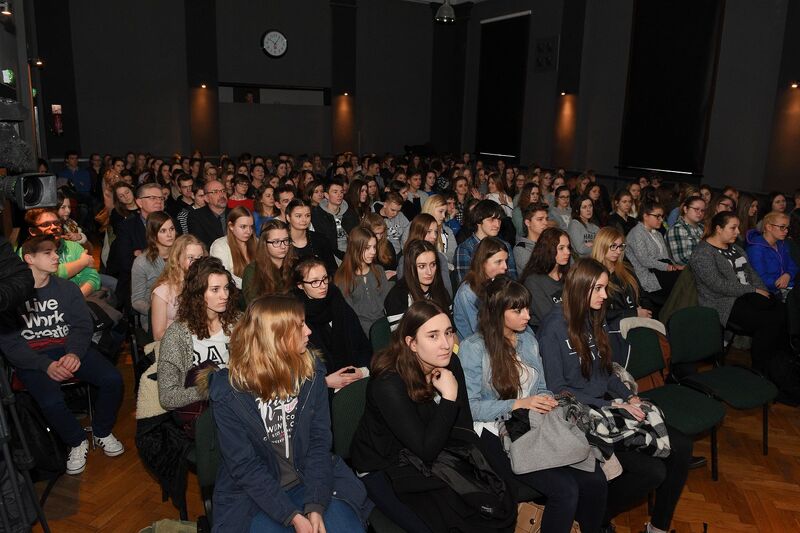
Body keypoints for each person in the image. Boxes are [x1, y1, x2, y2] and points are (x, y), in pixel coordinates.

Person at [539, 258, 692, 533]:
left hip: (610, 408)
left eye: (605, 288)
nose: (604, 295)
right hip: (585, 417)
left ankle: (657, 528)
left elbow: (606, 371)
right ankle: (592, 520)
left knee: (681, 447)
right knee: (653, 471)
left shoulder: (589, 315)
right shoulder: (553, 328)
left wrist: (628, 397)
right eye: (598, 289)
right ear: (580, 288)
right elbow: (558, 390)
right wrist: (612, 403)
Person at [207, 294, 372, 532]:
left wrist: (315, 505)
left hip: (312, 479)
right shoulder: (229, 392)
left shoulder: (312, 373)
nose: (309, 331)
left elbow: (319, 444)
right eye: (299, 326)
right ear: (275, 337)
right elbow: (245, 467)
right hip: (256, 494)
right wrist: (293, 516)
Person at [350, 300, 515, 533]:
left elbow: (463, 425)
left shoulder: (450, 362)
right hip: (385, 464)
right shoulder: (389, 383)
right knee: (448, 522)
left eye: (448, 333)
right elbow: (424, 449)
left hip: (435, 448)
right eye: (433, 336)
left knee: (493, 496)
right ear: (412, 343)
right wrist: (448, 397)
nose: (446, 344)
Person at [460, 276, 607, 533]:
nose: (528, 316)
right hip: (499, 431)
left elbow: (540, 385)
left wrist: (546, 399)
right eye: (518, 310)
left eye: (527, 308)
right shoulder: (473, 348)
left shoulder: (526, 337)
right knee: (566, 490)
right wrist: (519, 403)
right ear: (496, 312)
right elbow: (471, 407)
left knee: (595, 478)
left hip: (535, 420)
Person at [1, 235, 124, 475]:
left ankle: (101, 431)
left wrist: (75, 353)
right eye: (47, 253)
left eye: (55, 252)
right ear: (29, 259)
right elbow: (11, 344)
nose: (56, 256)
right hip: (33, 357)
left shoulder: (67, 288)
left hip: (69, 348)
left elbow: (82, 325)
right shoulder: (9, 297)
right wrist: (44, 365)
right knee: (50, 400)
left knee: (113, 379)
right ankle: (76, 441)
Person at [690, 212, 787, 371]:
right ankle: (762, 369)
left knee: (783, 311)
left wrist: (761, 290)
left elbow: (752, 273)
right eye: (733, 228)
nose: (738, 232)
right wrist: (753, 290)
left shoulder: (736, 248)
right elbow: (717, 285)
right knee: (768, 322)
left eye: (738, 228)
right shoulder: (703, 253)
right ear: (719, 229)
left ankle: (780, 364)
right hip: (722, 302)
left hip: (747, 295)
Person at [158, 257, 239, 434]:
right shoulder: (178, 335)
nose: (224, 295)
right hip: (205, 414)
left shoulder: (238, 323)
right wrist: (211, 388)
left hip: (238, 402)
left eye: (226, 288)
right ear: (198, 293)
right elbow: (168, 398)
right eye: (215, 290)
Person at [292, 258, 372, 391]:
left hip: (354, 378)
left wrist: (363, 370)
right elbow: (295, 371)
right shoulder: (294, 313)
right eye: (315, 282)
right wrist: (325, 382)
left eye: (325, 278)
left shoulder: (336, 298)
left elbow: (360, 341)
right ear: (300, 285)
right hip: (321, 389)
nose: (323, 285)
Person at [24, 208, 100, 297]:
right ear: (33, 231)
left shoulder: (73, 247)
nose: (54, 227)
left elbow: (92, 277)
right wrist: (82, 262)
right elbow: (44, 277)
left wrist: (76, 298)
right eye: (46, 224)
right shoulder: (28, 252)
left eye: (56, 223)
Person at [334, 227, 392, 336]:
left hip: (383, 326)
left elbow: (388, 301)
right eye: (367, 248)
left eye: (374, 247)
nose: (373, 252)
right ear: (355, 248)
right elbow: (350, 316)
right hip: (360, 332)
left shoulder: (378, 270)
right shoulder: (343, 278)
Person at [592, 227, 652, 328]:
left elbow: (643, 296)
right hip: (615, 329)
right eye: (613, 246)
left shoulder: (626, 269)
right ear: (602, 246)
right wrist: (633, 313)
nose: (618, 251)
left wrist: (645, 310)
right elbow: (598, 314)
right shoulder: (593, 274)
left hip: (639, 322)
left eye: (620, 246)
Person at [626, 200, 682, 307]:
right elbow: (644, 260)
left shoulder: (658, 234)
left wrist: (675, 266)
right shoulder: (637, 233)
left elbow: (665, 257)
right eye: (657, 216)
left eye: (662, 216)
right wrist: (668, 267)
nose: (661, 219)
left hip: (660, 271)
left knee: (686, 278)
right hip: (648, 275)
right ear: (645, 216)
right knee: (682, 285)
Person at [385, 240, 452, 331]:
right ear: (411, 268)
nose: (429, 272)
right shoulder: (397, 297)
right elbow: (401, 339)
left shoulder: (440, 290)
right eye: (422, 266)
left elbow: (451, 330)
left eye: (432, 264)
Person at [150, 235, 206, 342]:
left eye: (200, 258)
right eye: (190, 258)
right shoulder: (162, 292)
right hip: (174, 345)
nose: (197, 263)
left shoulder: (206, 285)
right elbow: (158, 335)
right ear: (177, 259)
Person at [453, 237, 509, 340]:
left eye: (506, 261)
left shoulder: (501, 284)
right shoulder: (467, 292)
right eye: (498, 262)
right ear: (483, 263)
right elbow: (480, 332)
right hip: (477, 347)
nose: (505, 266)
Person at [454, 200, 517, 284]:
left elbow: (512, 280)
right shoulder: (465, 249)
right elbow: (466, 285)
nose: (497, 225)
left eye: (499, 220)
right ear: (478, 220)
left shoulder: (505, 245)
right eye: (491, 220)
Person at [520, 228, 571, 331]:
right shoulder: (533, 281)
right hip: (549, 334)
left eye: (568, 247)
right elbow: (549, 318)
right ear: (548, 250)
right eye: (561, 248)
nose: (568, 252)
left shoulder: (569, 275)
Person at [131, 212, 175, 327]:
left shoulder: (181, 255)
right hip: (155, 319)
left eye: (171, 229)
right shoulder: (142, 263)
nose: (170, 234)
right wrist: (160, 312)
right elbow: (137, 301)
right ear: (153, 235)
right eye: (163, 231)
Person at [241, 219, 296, 305]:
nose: (283, 246)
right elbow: (254, 307)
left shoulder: (296, 265)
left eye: (286, 240)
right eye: (276, 242)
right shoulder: (252, 271)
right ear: (264, 243)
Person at [396, 214, 453, 295]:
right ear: (418, 232)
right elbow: (403, 292)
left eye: (436, 232)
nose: (434, 236)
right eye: (428, 232)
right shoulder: (405, 259)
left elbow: (448, 293)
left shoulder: (440, 258)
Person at [747, 211, 798, 298]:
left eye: (787, 228)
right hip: (768, 293)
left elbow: (793, 265)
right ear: (769, 227)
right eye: (782, 227)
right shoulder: (755, 249)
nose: (786, 231)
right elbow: (759, 278)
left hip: (785, 288)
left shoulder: (782, 243)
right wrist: (783, 283)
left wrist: (788, 275)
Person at [285, 199, 337, 275]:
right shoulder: (282, 242)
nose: (304, 220)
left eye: (307, 215)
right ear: (288, 218)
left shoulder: (320, 240)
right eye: (298, 216)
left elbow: (332, 269)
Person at [312, 178, 360, 260]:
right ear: (327, 195)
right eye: (335, 192)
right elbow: (324, 243)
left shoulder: (350, 213)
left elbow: (357, 236)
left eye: (341, 192)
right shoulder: (319, 215)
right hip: (331, 255)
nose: (339, 195)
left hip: (352, 252)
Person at [210, 207, 255, 290]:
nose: (249, 231)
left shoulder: (257, 242)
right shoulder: (220, 245)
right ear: (231, 226)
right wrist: (250, 286)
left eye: (251, 227)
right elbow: (225, 275)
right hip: (234, 293)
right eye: (243, 227)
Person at [187, 180, 229, 249]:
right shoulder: (196, 217)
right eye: (215, 192)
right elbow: (201, 246)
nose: (221, 195)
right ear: (206, 198)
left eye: (223, 191)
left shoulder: (235, 214)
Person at [666, 196, 706, 266]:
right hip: (687, 273)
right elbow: (681, 259)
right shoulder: (677, 229)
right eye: (696, 209)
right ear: (685, 209)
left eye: (702, 210)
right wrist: (709, 261)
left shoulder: (703, 227)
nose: (700, 213)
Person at [420, 194, 457, 269]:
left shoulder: (447, 231)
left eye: (445, 212)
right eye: (441, 211)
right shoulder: (415, 226)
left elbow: (453, 255)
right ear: (430, 209)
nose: (443, 216)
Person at [513, 202, 549, 273]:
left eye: (546, 219)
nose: (546, 223)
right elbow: (537, 273)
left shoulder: (550, 242)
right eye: (540, 219)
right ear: (528, 223)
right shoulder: (521, 248)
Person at [360, 213, 398, 277]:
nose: (379, 237)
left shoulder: (387, 245)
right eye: (376, 234)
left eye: (381, 233)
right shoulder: (359, 247)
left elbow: (393, 267)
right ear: (366, 232)